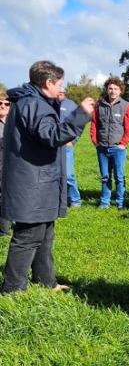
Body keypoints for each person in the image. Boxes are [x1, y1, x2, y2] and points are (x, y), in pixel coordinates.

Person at [1, 60, 94, 293]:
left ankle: (45, 280)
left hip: (38, 179)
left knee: (44, 233)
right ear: (47, 82)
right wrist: (81, 114)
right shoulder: (34, 104)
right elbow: (51, 135)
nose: (62, 88)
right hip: (32, 181)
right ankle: (12, 290)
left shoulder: (32, 102)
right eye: (59, 84)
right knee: (28, 235)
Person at [90, 76, 129, 210]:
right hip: (102, 148)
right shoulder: (99, 105)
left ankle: (120, 203)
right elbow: (94, 124)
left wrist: (123, 144)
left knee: (119, 177)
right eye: (110, 88)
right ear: (107, 89)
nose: (113, 91)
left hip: (118, 148)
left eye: (116, 89)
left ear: (120, 90)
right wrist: (96, 142)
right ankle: (104, 203)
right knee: (105, 177)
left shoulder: (126, 106)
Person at [57, 90, 81, 208]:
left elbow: (78, 124)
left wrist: (73, 140)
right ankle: (59, 199)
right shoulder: (47, 103)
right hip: (51, 145)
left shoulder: (71, 105)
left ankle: (75, 199)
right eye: (58, 92)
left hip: (66, 146)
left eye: (61, 92)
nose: (59, 94)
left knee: (68, 174)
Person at [0, 90, 11, 236]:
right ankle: (4, 231)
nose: (3, 106)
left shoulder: (13, 122)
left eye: (6, 103)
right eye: (0, 103)